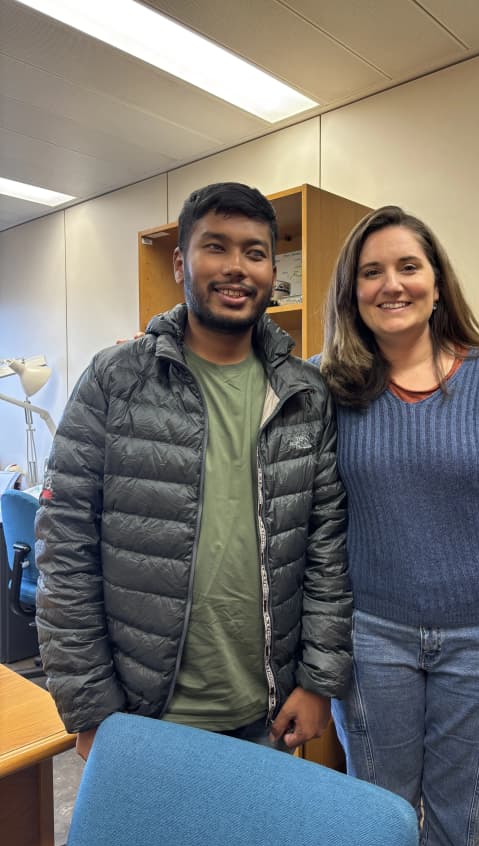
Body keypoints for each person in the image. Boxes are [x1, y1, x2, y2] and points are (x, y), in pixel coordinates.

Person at [35, 181, 352, 761]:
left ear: (271, 269)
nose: (237, 268)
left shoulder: (305, 393)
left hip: (268, 712)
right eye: (216, 247)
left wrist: (316, 681)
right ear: (181, 260)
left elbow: (326, 552)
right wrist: (90, 708)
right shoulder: (116, 381)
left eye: (255, 252)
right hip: (141, 714)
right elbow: (65, 551)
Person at [316, 205, 479, 846]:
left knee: (461, 829)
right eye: (371, 272)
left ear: (436, 282)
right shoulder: (331, 388)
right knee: (378, 818)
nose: (391, 284)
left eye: (408, 266)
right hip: (371, 639)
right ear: (352, 292)